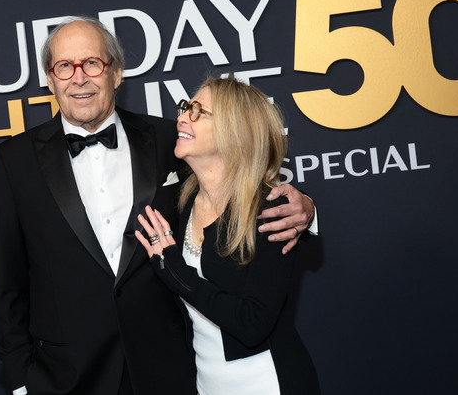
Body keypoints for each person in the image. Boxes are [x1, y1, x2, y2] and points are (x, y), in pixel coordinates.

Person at [0, 17, 316, 395]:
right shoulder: (14, 161)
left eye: (92, 63)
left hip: (170, 367)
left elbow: (234, 177)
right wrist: (19, 380)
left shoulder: (169, 140)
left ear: (117, 73)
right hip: (68, 376)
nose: (79, 78)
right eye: (64, 66)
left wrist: (306, 208)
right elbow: (8, 281)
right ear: (50, 78)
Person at [136, 77, 321, 394]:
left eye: (197, 111)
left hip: (267, 382)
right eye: (185, 107)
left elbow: (252, 324)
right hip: (206, 385)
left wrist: (174, 272)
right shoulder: (175, 202)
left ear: (234, 132)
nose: (181, 116)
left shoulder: (272, 213)